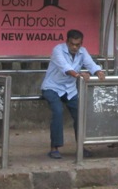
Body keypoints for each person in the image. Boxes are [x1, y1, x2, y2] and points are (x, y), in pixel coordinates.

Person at [41, 29, 106, 159]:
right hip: (52, 87)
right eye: (72, 44)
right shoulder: (58, 50)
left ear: (81, 44)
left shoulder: (83, 52)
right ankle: (54, 148)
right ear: (67, 42)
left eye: (78, 44)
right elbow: (65, 67)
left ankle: (82, 146)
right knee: (58, 111)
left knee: (80, 114)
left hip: (69, 90)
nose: (75, 47)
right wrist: (78, 74)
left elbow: (91, 64)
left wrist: (98, 71)